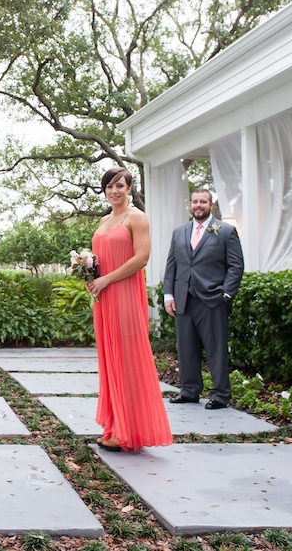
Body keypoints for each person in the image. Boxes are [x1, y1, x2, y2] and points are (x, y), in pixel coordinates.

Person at [86, 167, 172, 452]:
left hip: (124, 294)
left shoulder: (137, 218)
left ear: (130, 188)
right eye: (109, 186)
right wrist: (89, 274)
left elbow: (142, 258)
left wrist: (107, 279)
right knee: (110, 359)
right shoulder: (105, 219)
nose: (114, 191)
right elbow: (102, 258)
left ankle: (129, 429)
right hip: (105, 298)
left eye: (120, 186)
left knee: (127, 357)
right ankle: (114, 424)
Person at [163, 188, 245, 410]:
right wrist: (168, 294)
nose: (199, 205)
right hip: (184, 299)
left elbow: (236, 266)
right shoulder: (179, 232)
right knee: (186, 347)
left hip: (212, 298)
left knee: (215, 348)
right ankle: (189, 391)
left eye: (204, 202)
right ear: (190, 204)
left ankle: (220, 394)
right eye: (195, 201)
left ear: (211, 205)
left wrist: (226, 293)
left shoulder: (226, 231)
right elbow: (172, 265)